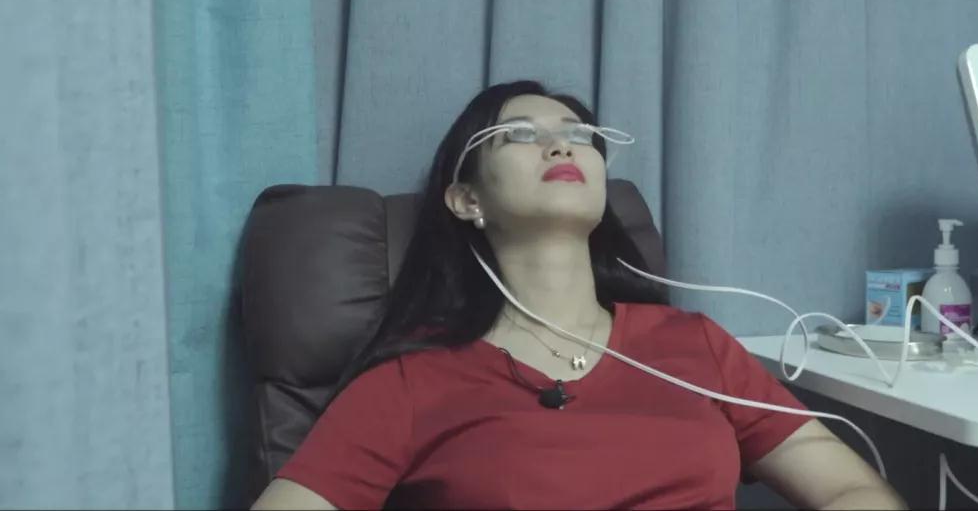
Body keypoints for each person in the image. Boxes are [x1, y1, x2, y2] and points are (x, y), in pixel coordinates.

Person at [251, 80, 906, 510]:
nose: (559, 143)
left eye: (576, 133)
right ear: (467, 199)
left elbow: (850, 488)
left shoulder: (694, 346)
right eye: (519, 134)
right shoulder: (412, 379)